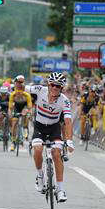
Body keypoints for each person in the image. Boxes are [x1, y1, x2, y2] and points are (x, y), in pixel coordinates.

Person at [26, 72, 74, 202]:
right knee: (37, 149)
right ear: (48, 84)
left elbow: (68, 122)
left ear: (61, 88)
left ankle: (60, 189)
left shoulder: (64, 100)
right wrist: (18, 82)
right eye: (52, 85)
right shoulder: (40, 90)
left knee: (57, 154)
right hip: (39, 127)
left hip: (54, 129)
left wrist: (69, 140)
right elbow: (23, 88)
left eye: (58, 86)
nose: (54, 88)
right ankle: (40, 175)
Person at [8, 75, 32, 151]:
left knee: (25, 112)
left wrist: (29, 113)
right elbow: (10, 106)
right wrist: (10, 113)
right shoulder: (13, 94)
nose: (19, 94)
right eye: (18, 82)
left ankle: (25, 127)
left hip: (24, 107)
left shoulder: (27, 94)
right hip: (16, 107)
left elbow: (29, 106)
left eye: (20, 92)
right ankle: (13, 142)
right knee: (14, 122)